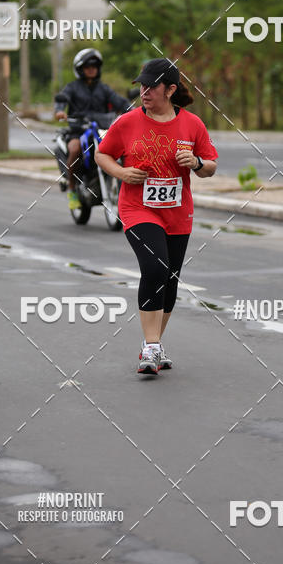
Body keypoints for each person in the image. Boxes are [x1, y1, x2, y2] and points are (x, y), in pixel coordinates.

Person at [96, 58, 218, 375]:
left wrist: (195, 162)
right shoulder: (127, 122)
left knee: (170, 279)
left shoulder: (192, 124)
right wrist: (122, 172)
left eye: (151, 86)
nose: (144, 92)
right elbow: (102, 153)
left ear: (170, 89)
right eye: (142, 86)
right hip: (137, 209)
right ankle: (151, 345)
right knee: (155, 268)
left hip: (178, 213)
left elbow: (210, 167)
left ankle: (153, 345)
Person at [54, 48, 130, 211]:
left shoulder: (104, 89)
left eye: (94, 66)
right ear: (80, 69)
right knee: (75, 149)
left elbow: (120, 102)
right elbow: (62, 99)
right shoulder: (72, 87)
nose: (91, 69)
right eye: (87, 66)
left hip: (101, 129)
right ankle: (72, 190)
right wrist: (59, 110)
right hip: (79, 131)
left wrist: (133, 110)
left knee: (123, 148)